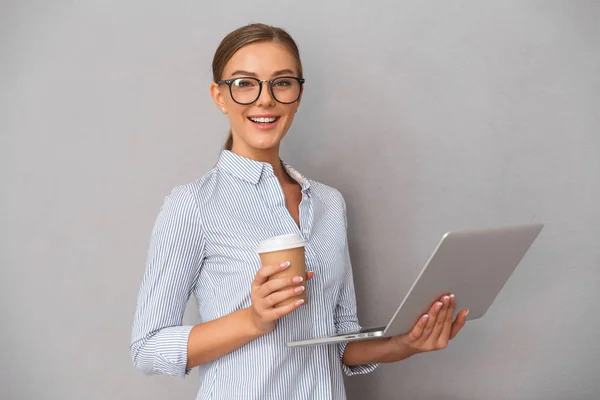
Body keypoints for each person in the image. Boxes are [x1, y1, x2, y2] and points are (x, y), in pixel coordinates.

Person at [130, 23, 469, 400]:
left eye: (282, 83)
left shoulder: (329, 204)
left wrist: (406, 343)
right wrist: (254, 320)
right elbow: (147, 347)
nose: (265, 100)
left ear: (298, 94)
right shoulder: (193, 205)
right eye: (245, 83)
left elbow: (338, 341)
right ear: (219, 96)